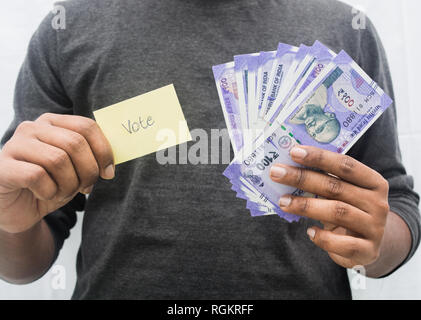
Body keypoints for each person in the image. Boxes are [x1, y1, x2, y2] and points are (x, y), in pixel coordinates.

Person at [0, 0, 419, 299]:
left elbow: (397, 204)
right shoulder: (67, 28)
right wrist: (10, 225)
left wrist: (375, 244)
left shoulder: (346, 28)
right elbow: (22, 263)